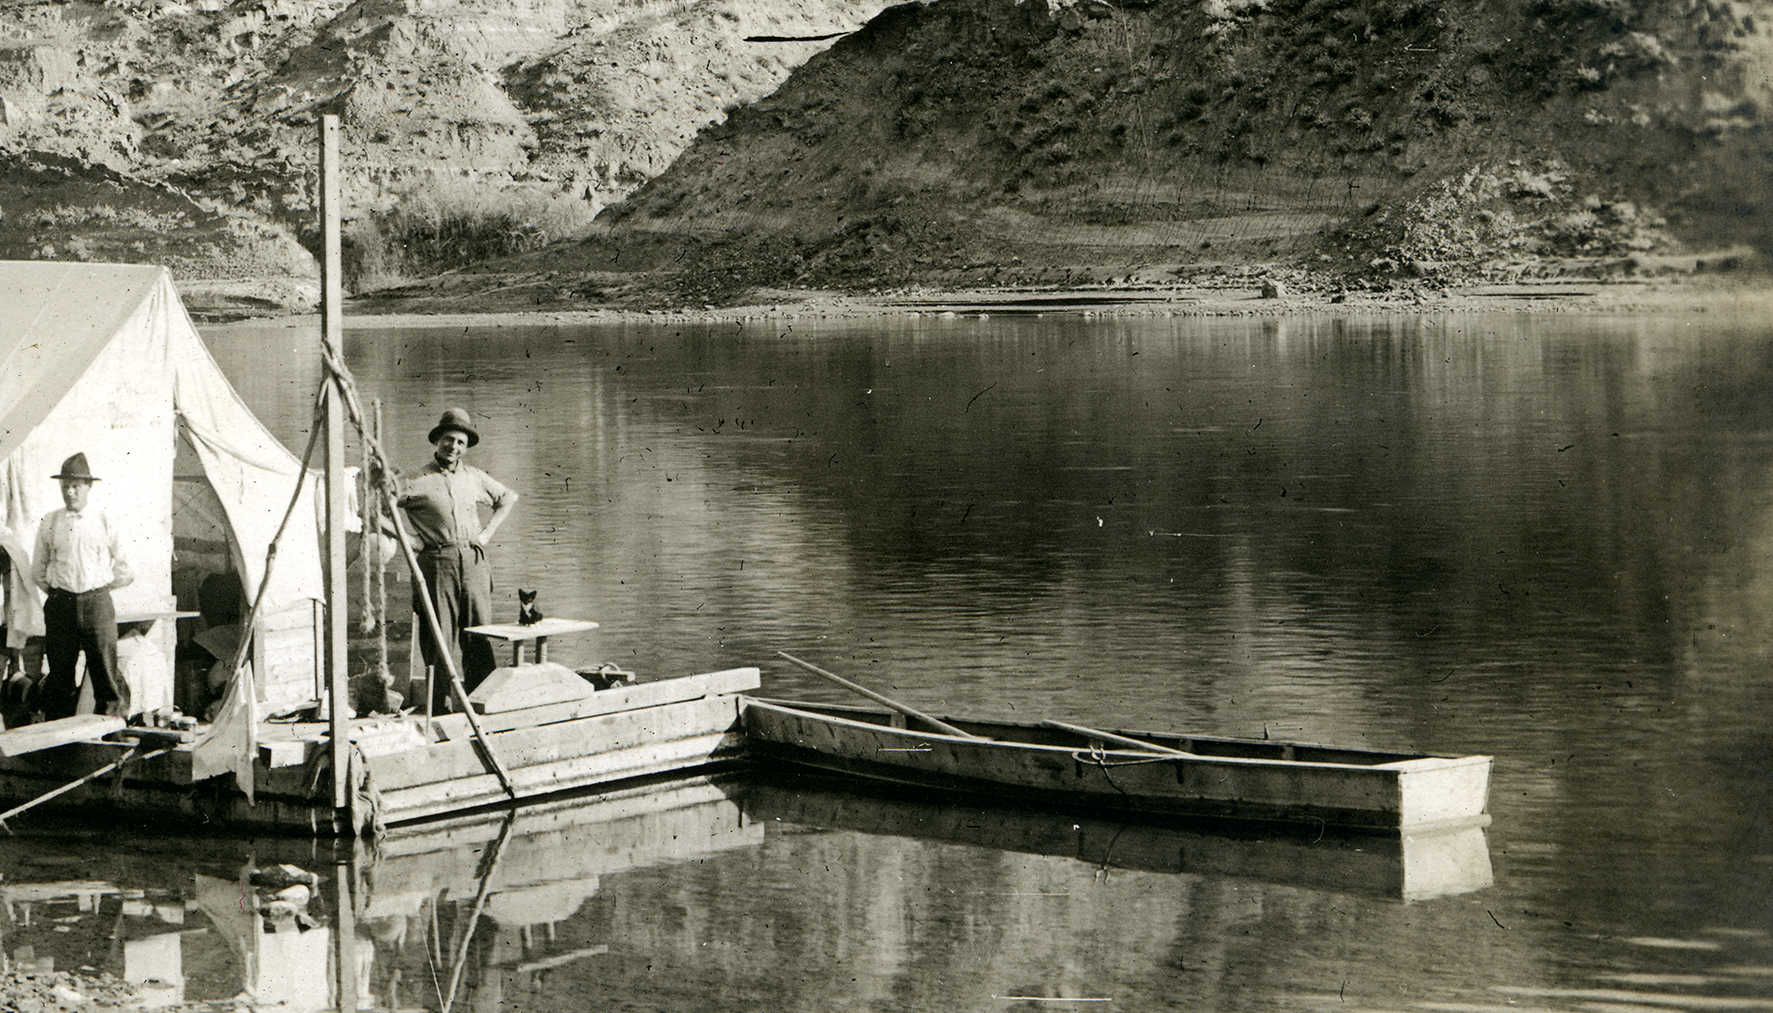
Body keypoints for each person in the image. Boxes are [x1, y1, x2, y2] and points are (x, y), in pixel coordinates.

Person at [397, 409, 518, 712]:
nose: (454, 447)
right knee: (439, 639)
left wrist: (487, 533)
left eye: (461, 442)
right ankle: (439, 709)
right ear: (437, 440)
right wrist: (409, 540)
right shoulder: (414, 479)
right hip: (437, 561)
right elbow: (374, 507)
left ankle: (482, 707)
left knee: (479, 635)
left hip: (474, 562)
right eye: (448, 439)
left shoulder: (473, 476)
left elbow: (508, 498)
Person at [31, 453, 133, 720]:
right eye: (65, 485)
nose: (70, 491)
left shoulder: (104, 520)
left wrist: (98, 590)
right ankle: (58, 742)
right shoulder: (50, 521)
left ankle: (111, 733)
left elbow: (126, 568)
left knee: (105, 674)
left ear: (89, 486)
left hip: (97, 604)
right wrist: (58, 592)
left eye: (76, 485)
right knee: (59, 675)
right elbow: (38, 571)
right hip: (60, 605)